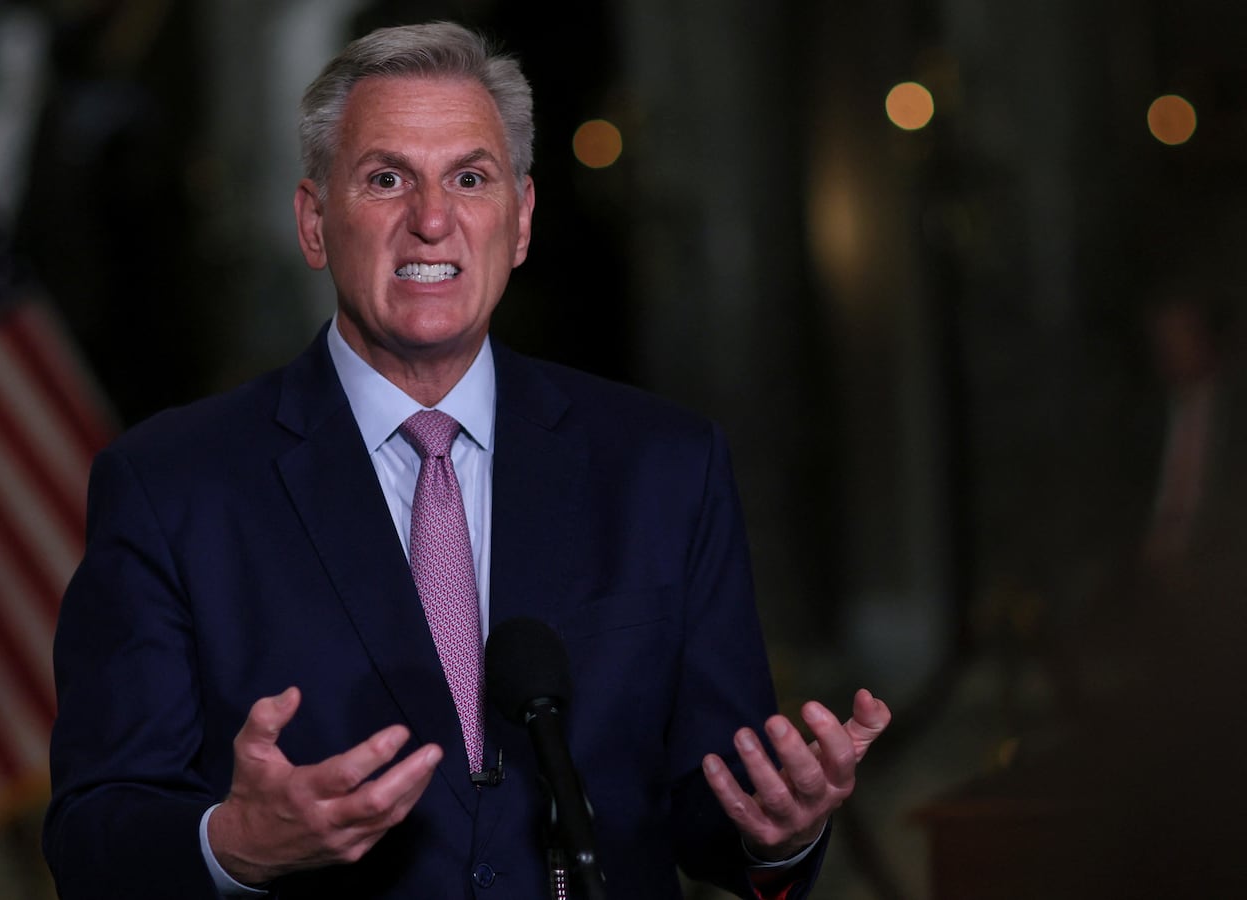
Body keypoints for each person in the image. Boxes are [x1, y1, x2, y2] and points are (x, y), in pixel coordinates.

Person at [44, 22, 889, 899]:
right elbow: (91, 836)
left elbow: (713, 812)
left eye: (470, 179)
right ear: (313, 222)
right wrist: (234, 844)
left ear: (520, 221)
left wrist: (781, 831)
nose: (433, 221)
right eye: (385, 179)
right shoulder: (173, 487)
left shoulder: (665, 467)